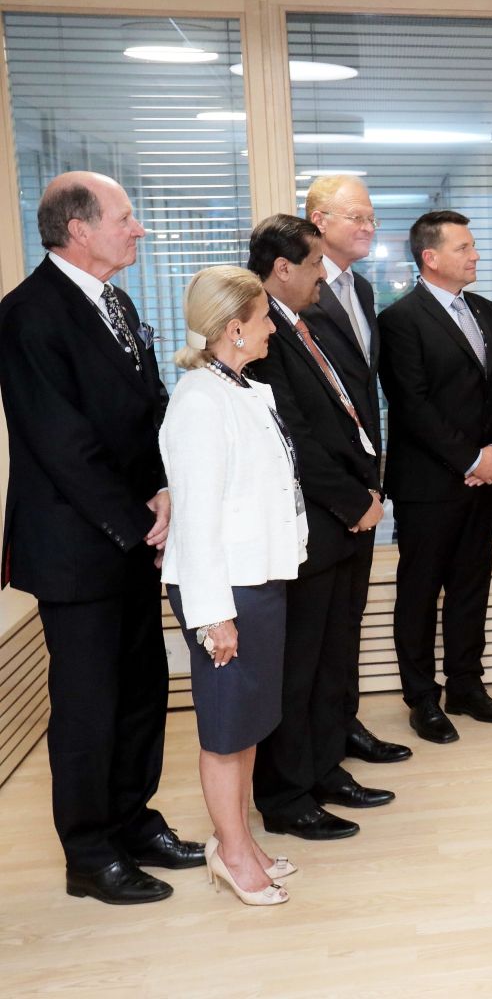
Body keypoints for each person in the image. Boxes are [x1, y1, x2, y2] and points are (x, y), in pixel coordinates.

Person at [0, 171, 204, 905]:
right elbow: (63, 445)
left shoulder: (116, 301)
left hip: (135, 534)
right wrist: (139, 520)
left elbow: (147, 410)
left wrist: (165, 488)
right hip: (78, 547)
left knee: (142, 691)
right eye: (125, 217)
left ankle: (132, 821)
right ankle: (88, 853)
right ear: (79, 229)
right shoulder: (27, 315)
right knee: (89, 706)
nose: (138, 229)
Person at [159, 265, 308, 906]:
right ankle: (230, 852)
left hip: (258, 579)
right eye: (264, 317)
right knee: (225, 728)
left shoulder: (242, 388)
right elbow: (195, 520)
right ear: (234, 328)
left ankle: (239, 840)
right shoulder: (199, 400)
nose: (274, 326)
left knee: (248, 723)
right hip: (224, 590)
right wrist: (213, 614)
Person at [246, 215, 389, 842]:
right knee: (299, 666)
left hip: (347, 515)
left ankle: (325, 768)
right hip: (313, 521)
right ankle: (286, 796)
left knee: (334, 656)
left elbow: (343, 412)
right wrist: (351, 500)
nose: (321, 279)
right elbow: (293, 438)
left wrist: (367, 489)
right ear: (282, 268)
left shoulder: (303, 322)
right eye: (312, 267)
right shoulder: (261, 331)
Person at [379, 210, 492, 744]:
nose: (475, 255)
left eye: (473, 245)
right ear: (430, 258)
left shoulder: (485, 310)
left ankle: (466, 685)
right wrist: (469, 459)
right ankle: (422, 699)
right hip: (429, 485)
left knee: (470, 587)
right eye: (464, 247)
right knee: (420, 593)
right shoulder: (400, 319)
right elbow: (411, 405)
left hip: (485, 477)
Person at [303, 174, 411, 766]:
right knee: (319, 628)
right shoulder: (297, 292)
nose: (370, 227)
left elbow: (365, 391)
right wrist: (346, 489)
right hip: (324, 489)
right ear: (318, 220)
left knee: (349, 617)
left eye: (372, 217)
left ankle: (344, 725)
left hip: (364, 478)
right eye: (357, 217)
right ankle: (321, 745)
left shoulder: (362, 289)